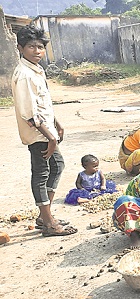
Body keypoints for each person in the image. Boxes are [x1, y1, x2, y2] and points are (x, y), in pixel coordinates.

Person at [12, 25, 76, 236]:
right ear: (21, 48)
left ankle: (44, 215)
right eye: (31, 47)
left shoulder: (36, 70)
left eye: (40, 47)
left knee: (57, 166)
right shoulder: (24, 75)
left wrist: (57, 123)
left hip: (47, 131)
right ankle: (48, 222)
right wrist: (51, 138)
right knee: (41, 173)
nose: (37, 51)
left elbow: (43, 104)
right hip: (38, 134)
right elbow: (28, 113)